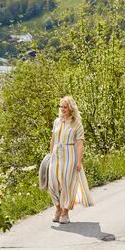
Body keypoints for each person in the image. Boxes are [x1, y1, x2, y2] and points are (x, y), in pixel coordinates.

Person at [49, 96, 93, 224]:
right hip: (56, 155)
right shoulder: (57, 121)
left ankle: (65, 212)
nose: (62, 109)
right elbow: (53, 139)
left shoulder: (76, 123)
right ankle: (57, 208)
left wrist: (79, 161)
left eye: (65, 107)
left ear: (71, 108)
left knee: (67, 184)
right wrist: (51, 154)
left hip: (70, 155)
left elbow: (80, 144)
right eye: (61, 106)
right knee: (53, 184)